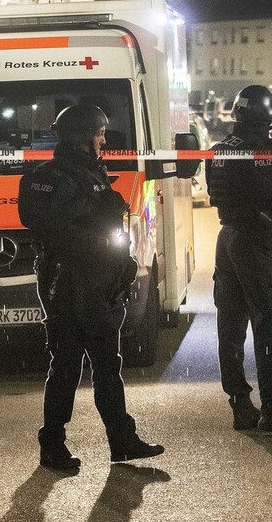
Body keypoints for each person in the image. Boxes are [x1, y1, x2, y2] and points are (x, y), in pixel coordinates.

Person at [17, 103, 163, 470]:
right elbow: (50, 225)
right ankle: (52, 444)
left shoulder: (90, 173)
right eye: (99, 134)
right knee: (67, 365)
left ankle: (121, 440)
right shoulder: (51, 177)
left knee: (107, 365)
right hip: (70, 282)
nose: (103, 140)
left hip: (98, 282)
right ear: (83, 137)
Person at [205, 85, 272, 435]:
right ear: (269, 115)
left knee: (230, 326)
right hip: (257, 241)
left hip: (228, 237)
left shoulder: (219, 150)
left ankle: (240, 404)